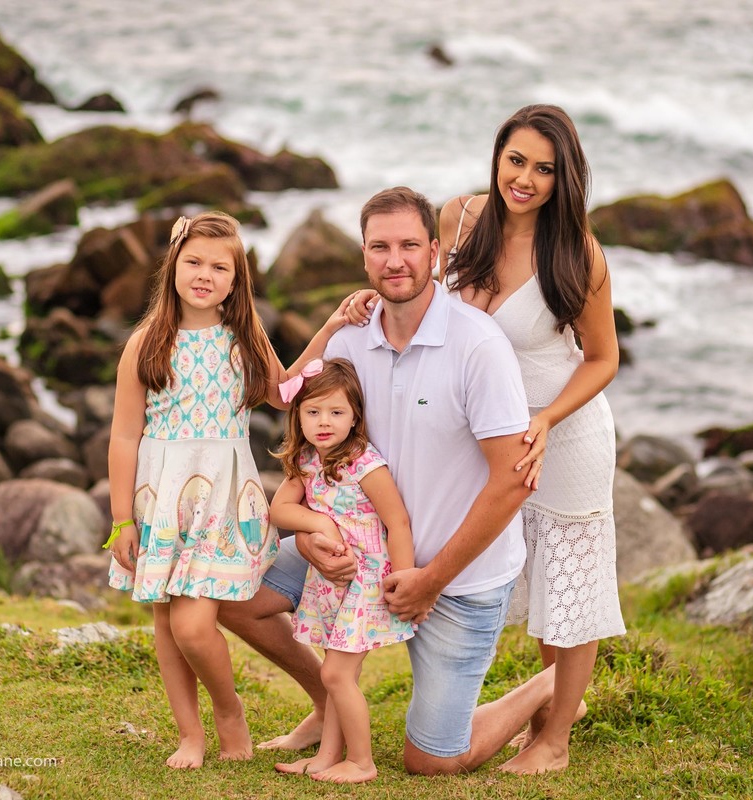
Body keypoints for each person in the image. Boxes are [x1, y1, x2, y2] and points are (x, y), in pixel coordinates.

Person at [218, 186, 564, 776]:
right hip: (359, 556)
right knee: (230, 592)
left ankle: (551, 687)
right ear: (363, 256)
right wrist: (306, 536)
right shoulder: (348, 343)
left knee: (432, 761)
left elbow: (513, 482)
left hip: (456, 579)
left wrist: (431, 578)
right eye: (380, 247)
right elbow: (301, 425)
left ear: (435, 253)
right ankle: (329, 697)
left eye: (409, 245)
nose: (394, 260)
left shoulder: (477, 345)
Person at [105, 211, 346, 769]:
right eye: (193, 262)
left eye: (220, 267)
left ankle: (229, 710)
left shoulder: (242, 336)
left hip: (222, 500)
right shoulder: (145, 343)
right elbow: (123, 436)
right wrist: (122, 519)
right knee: (168, 620)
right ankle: (189, 734)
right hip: (162, 501)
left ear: (236, 281)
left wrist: (330, 328)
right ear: (172, 268)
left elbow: (285, 393)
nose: (204, 274)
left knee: (193, 622)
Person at [440, 103, 626, 774]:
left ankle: (554, 741)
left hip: (564, 433)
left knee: (569, 585)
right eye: (516, 160)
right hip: (488, 437)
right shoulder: (457, 219)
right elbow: (436, 313)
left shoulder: (577, 252)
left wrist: (545, 420)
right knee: (525, 583)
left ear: (563, 178)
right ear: (497, 156)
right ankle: (552, 707)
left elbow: (603, 358)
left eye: (543, 169)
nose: (524, 178)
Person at [269, 357, 414, 783]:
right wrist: (320, 522)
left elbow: (398, 522)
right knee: (338, 674)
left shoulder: (364, 462)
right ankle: (326, 757)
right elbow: (280, 508)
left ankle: (362, 761)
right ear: (298, 416)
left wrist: (402, 580)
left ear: (355, 417)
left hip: (367, 580)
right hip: (332, 582)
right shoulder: (307, 460)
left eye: (336, 412)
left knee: (334, 673)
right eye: (313, 412)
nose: (324, 422)